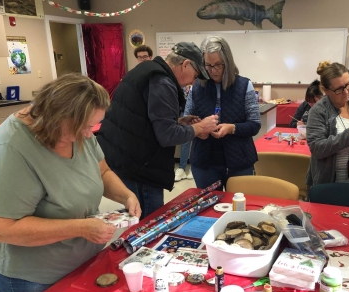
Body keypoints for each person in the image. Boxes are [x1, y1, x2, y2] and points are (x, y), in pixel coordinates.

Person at [0, 73, 141, 292]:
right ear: (57, 117)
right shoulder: (11, 148)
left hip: (80, 262)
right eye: (85, 126)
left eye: (94, 126)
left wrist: (126, 196)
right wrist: (81, 228)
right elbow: (2, 228)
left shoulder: (77, 131)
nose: (89, 134)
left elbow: (102, 171)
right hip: (33, 278)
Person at [97, 42, 218, 219]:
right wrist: (199, 128)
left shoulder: (147, 70)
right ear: (185, 65)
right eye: (196, 75)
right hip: (139, 166)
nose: (193, 81)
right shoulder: (162, 81)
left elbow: (143, 119)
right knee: (149, 221)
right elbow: (167, 135)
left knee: (137, 217)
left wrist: (179, 121)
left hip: (124, 157)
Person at [184, 35, 261, 190]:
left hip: (239, 161)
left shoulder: (244, 86)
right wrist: (197, 130)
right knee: (209, 210)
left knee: (239, 209)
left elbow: (254, 125)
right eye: (208, 65)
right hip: (205, 163)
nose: (213, 71)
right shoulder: (197, 87)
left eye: (218, 65)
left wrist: (231, 128)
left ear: (227, 62)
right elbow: (185, 123)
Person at [175, 84, 194, 181]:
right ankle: (182, 168)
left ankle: (193, 168)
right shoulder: (181, 82)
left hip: (198, 110)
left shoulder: (199, 78)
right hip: (184, 112)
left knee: (199, 140)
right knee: (185, 141)